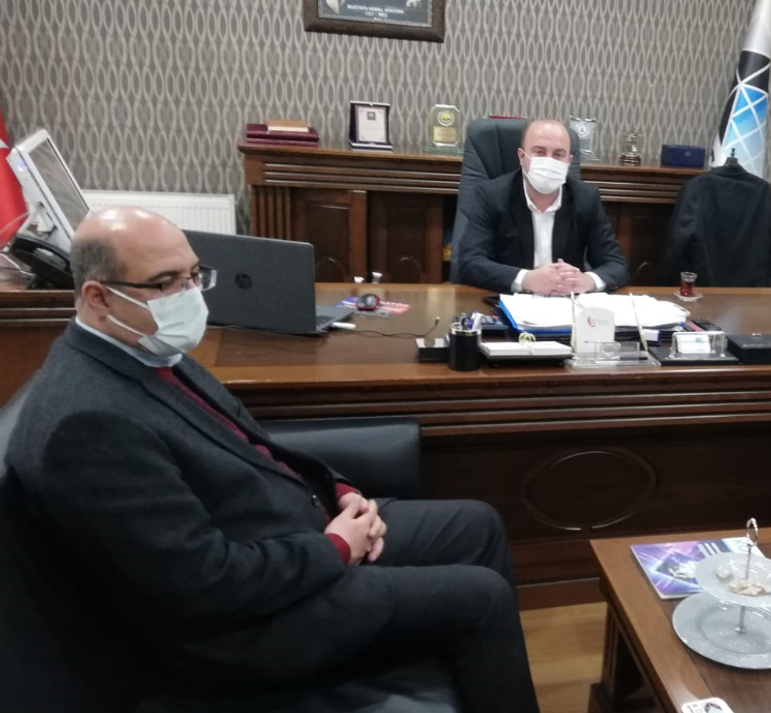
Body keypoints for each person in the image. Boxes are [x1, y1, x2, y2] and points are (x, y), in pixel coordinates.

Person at [6, 207, 541, 712]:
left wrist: (341, 492)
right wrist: (336, 547)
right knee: (482, 599)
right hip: (249, 629)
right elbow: (203, 584)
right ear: (98, 296)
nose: (189, 294)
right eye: (167, 283)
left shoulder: (147, 350)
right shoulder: (87, 423)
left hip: (291, 538)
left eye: (195, 275)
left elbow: (257, 447)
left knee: (477, 524)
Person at [454, 118, 629, 295]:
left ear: (569, 161)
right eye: (540, 152)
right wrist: (526, 279)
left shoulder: (585, 198)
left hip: (566, 302)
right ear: (522, 156)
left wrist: (587, 281)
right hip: (509, 300)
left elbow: (616, 264)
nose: (549, 161)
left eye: (558, 155)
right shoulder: (492, 196)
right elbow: (470, 262)